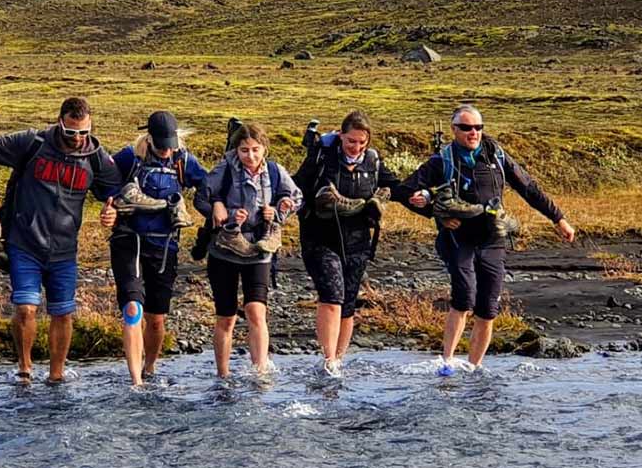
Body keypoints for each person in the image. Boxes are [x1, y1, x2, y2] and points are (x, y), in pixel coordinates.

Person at [0, 97, 122, 384]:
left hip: (64, 249)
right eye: (71, 132)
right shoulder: (33, 143)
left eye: (83, 133)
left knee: (63, 313)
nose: (77, 139)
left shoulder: (95, 157)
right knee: (26, 307)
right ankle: (24, 370)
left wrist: (113, 211)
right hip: (24, 243)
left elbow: (114, 191)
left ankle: (56, 377)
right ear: (60, 122)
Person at [397, 104, 575, 375]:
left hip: (493, 238)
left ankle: (473, 368)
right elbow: (404, 190)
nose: (473, 133)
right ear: (454, 130)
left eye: (478, 127)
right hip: (458, 238)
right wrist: (435, 212)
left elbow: (529, 188)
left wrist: (558, 218)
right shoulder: (443, 160)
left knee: (488, 307)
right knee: (464, 298)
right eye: (467, 128)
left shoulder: (497, 156)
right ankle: (445, 364)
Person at [293, 111, 402, 377]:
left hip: (358, 242)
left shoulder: (373, 162)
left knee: (349, 303)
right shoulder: (320, 158)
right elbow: (295, 189)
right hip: (319, 238)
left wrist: (421, 196)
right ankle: (328, 359)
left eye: (362, 143)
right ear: (341, 135)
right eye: (351, 141)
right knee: (332, 297)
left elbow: (396, 186)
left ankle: (339, 361)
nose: (356, 147)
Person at [194, 123, 302, 378]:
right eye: (244, 150)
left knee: (256, 310)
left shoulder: (275, 172)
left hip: (260, 248)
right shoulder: (224, 169)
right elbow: (201, 197)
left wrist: (278, 210)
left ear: (264, 148)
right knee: (226, 316)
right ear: (236, 150)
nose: (250, 156)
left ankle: (260, 371)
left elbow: (295, 198)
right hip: (224, 249)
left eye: (255, 150)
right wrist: (219, 210)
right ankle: (223, 375)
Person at [107, 110, 207, 386]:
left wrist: (211, 208)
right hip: (129, 241)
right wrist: (111, 203)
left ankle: (150, 367)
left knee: (157, 319)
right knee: (132, 308)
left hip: (165, 248)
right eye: (161, 145)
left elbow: (209, 186)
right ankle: (135, 380)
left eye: (170, 145)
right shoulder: (129, 158)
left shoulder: (184, 161)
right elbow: (103, 181)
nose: (166, 151)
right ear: (149, 138)